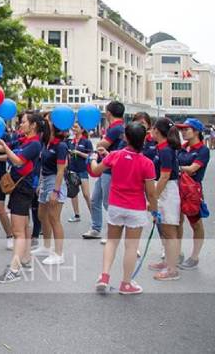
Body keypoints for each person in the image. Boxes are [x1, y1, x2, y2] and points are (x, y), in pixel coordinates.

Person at [91, 122, 157, 295]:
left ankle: (104, 277)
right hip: (136, 208)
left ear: (126, 137)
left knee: (112, 242)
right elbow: (151, 193)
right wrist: (155, 211)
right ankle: (126, 284)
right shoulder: (147, 163)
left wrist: (92, 158)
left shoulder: (115, 155)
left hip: (116, 206)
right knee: (131, 246)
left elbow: (96, 171)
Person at [0, 111, 47, 283]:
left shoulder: (34, 144)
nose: (20, 124)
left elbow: (17, 160)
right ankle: (26, 259)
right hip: (20, 189)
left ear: (33, 126)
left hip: (23, 189)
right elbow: (4, 150)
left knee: (17, 231)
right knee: (24, 226)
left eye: (23, 122)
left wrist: (4, 145)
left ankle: (14, 269)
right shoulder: (23, 140)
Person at [83, 101, 126, 241]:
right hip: (105, 167)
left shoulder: (115, 128)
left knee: (108, 203)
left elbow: (103, 144)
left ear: (108, 113)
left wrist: (99, 143)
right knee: (95, 199)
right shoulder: (118, 127)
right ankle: (96, 228)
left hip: (110, 169)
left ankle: (113, 232)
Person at [145, 118, 182, 281]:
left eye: (152, 129)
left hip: (167, 191)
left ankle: (172, 269)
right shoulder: (162, 148)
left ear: (157, 131)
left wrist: (154, 197)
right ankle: (168, 261)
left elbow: (165, 176)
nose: (150, 131)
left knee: (169, 231)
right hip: (164, 190)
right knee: (165, 230)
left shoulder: (166, 150)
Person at [175, 118, 210, 270]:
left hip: (192, 190)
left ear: (196, 131)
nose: (183, 132)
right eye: (181, 129)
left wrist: (176, 166)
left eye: (186, 129)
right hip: (178, 187)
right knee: (177, 222)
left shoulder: (203, 150)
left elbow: (193, 169)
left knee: (196, 223)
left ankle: (195, 257)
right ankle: (177, 252)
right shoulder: (182, 147)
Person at [33, 119, 68, 265]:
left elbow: (61, 170)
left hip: (55, 182)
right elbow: (42, 166)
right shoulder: (46, 143)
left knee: (54, 218)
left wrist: (56, 191)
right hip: (45, 180)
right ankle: (46, 247)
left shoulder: (61, 146)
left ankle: (59, 253)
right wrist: (40, 183)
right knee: (42, 215)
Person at [67, 123, 93, 223]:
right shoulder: (70, 141)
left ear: (82, 130)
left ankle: (94, 216)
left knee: (86, 194)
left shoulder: (86, 142)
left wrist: (79, 153)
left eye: (76, 127)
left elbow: (91, 156)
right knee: (73, 194)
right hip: (72, 170)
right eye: (73, 127)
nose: (74, 129)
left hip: (83, 171)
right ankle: (76, 215)